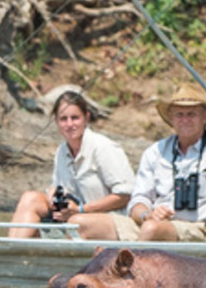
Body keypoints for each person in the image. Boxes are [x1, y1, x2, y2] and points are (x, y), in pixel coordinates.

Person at [71, 83, 206, 242]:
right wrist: (148, 213)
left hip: (199, 230)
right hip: (152, 226)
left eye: (191, 114)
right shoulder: (155, 152)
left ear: (205, 116)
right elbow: (137, 202)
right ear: (170, 119)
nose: (185, 120)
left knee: (152, 231)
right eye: (179, 114)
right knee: (78, 224)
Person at [8, 91, 135, 239]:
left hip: (113, 220)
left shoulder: (103, 147)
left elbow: (126, 195)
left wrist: (81, 209)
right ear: (56, 122)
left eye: (75, 118)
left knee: (76, 222)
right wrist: (53, 193)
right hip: (74, 218)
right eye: (63, 119)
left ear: (86, 118)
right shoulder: (61, 151)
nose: (69, 124)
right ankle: (9, 252)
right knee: (30, 198)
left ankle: (50, 251)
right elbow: (59, 189)